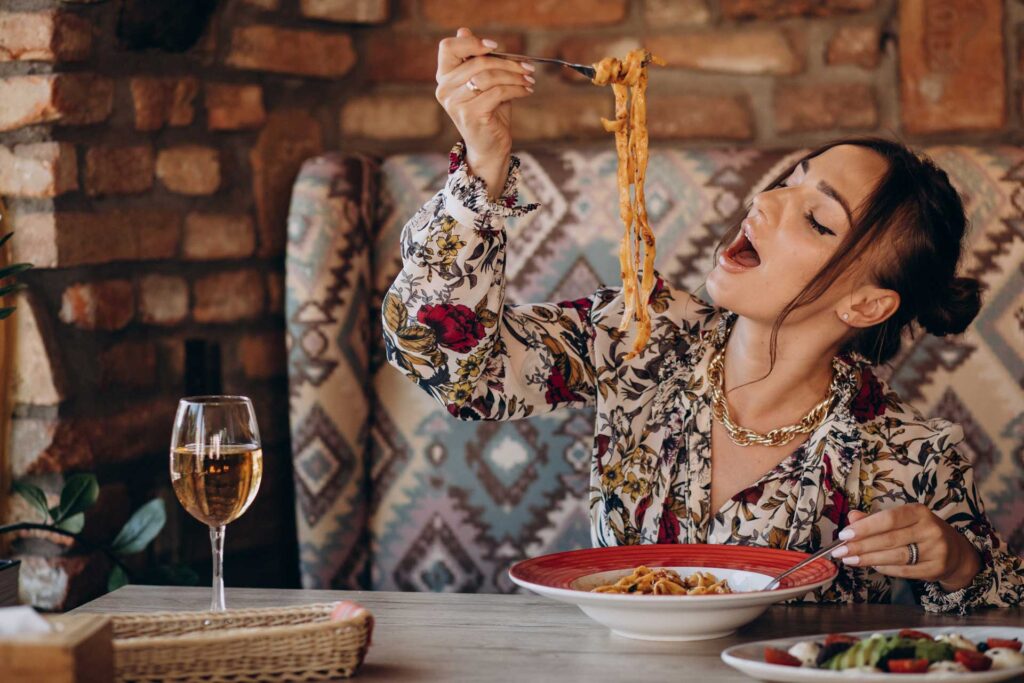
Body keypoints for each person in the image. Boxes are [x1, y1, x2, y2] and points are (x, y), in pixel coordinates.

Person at [381, 28, 1023, 613]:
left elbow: (1001, 616)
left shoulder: (906, 455)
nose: (766, 201)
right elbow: (449, 364)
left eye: (816, 219)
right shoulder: (637, 333)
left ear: (866, 305)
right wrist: (484, 160)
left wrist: (959, 565)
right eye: (789, 182)